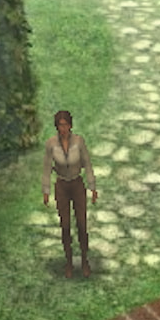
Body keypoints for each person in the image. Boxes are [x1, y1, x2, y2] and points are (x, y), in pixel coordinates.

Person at [41, 109, 99, 279]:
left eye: (66, 124)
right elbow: (47, 168)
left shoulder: (79, 142)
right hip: (61, 186)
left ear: (70, 125)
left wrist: (92, 186)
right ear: (56, 126)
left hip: (77, 184)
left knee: (82, 224)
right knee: (65, 225)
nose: (63, 128)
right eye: (60, 125)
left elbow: (87, 163)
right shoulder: (51, 144)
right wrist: (46, 190)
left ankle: (84, 260)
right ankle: (68, 262)